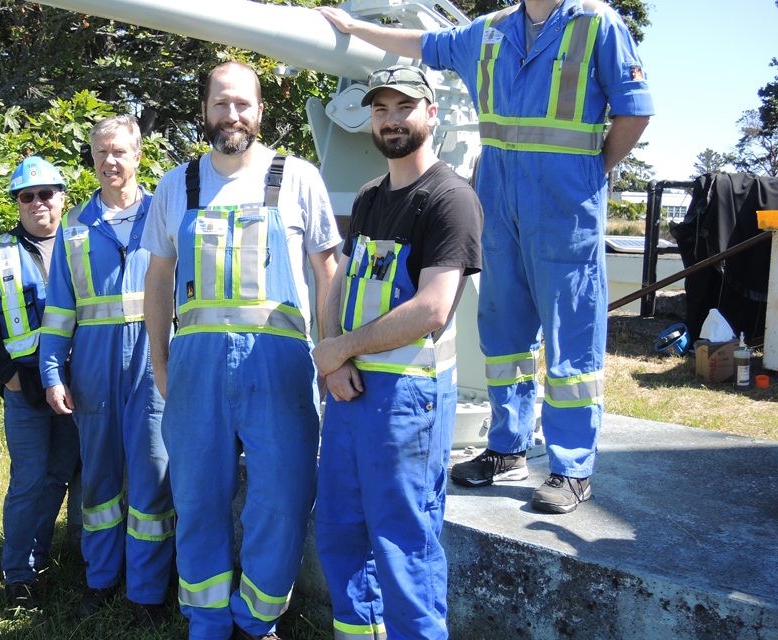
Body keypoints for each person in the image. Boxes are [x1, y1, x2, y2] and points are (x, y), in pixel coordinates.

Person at [320, 0, 653, 513]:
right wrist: (353, 26)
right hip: (498, 202)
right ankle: (507, 448)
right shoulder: (490, 30)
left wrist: (593, 172)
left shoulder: (595, 22)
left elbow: (635, 109)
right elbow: (420, 44)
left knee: (572, 341)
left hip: (566, 207)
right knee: (502, 334)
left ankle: (571, 468)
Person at [142, 61, 341, 640]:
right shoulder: (176, 185)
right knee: (198, 497)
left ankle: (257, 620)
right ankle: (206, 620)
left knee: (282, 498)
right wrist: (160, 363)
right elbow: (158, 281)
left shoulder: (298, 177)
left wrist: (330, 353)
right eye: (221, 103)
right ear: (204, 109)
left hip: (281, 370)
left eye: (243, 104)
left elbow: (327, 269)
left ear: (260, 111)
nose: (232, 115)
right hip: (195, 370)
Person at [311, 66, 482, 640]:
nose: (390, 119)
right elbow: (339, 282)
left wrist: (339, 350)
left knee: (403, 542)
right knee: (339, 529)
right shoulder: (368, 197)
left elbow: (433, 308)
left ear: (431, 114)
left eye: (403, 107)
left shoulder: (451, 199)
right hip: (351, 395)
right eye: (380, 109)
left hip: (407, 402)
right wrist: (334, 359)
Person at [38, 114, 175, 628]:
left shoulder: (164, 217)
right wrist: (52, 373)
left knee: (152, 479)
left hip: (152, 365)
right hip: (93, 370)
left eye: (119, 151)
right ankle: (100, 581)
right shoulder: (74, 229)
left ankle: (146, 592)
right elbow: (58, 312)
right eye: (100, 153)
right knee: (97, 482)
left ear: (138, 154)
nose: (110, 161)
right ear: (92, 159)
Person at [0, 156, 81, 611]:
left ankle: (58, 560)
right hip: (26, 388)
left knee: (66, 476)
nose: (38, 202)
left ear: (62, 198)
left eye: (46, 193)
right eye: (27, 196)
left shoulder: (82, 245)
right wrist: (10, 379)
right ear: (17, 202)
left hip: (80, 384)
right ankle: (18, 575)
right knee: (30, 479)